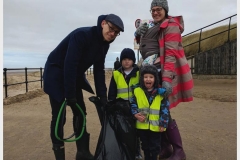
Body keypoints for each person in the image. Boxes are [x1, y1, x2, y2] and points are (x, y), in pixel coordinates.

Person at [43, 14, 124, 160]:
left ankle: (82, 152)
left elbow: (99, 71)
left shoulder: (104, 45)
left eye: (116, 33)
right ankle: (59, 156)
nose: (112, 34)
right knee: (59, 116)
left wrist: (103, 97)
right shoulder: (82, 35)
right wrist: (70, 95)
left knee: (80, 112)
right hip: (56, 73)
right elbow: (70, 64)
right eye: (111, 29)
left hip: (72, 76)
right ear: (103, 23)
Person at [134, 0, 193, 159]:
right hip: (153, 71)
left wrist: (166, 79)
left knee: (163, 109)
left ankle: (179, 150)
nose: (155, 12)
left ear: (165, 10)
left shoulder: (171, 25)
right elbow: (146, 42)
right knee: (157, 110)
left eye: (158, 9)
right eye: (152, 10)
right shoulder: (154, 24)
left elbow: (170, 54)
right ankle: (165, 147)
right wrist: (138, 33)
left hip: (162, 73)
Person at [108, 48, 143, 159]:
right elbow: (112, 91)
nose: (126, 61)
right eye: (124, 59)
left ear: (133, 60)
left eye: (129, 59)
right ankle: (123, 150)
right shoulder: (116, 74)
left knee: (136, 130)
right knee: (123, 130)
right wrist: (111, 103)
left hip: (136, 106)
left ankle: (137, 151)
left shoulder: (138, 73)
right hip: (121, 107)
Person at [130, 65, 169, 160]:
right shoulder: (137, 91)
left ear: (155, 79)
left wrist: (163, 123)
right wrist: (135, 114)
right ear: (142, 78)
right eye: (145, 77)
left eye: (151, 77)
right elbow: (133, 104)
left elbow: (165, 109)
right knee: (145, 147)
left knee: (155, 147)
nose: (148, 79)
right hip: (142, 126)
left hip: (155, 127)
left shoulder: (161, 94)